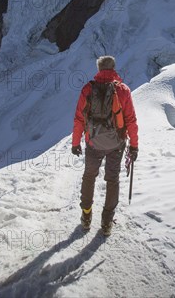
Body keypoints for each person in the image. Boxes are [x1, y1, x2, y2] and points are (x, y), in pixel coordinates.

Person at [71, 55, 138, 235]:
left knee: (89, 176)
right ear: (114, 68)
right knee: (112, 179)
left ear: (99, 69)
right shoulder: (123, 90)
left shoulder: (87, 89)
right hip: (116, 143)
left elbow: (79, 118)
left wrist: (75, 143)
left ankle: (86, 216)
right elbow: (131, 120)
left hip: (93, 142)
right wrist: (134, 146)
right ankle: (107, 222)